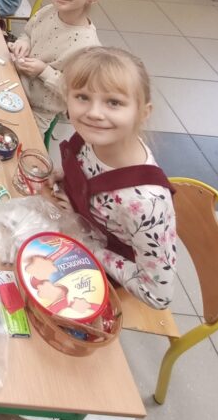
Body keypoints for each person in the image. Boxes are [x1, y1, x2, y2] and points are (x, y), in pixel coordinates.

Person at [56, 46, 177, 310]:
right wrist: (62, 180)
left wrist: (90, 248)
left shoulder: (146, 203)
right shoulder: (93, 138)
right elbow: (87, 175)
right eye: (82, 97)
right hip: (71, 228)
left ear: (143, 112)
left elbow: (158, 294)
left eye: (113, 102)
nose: (94, 113)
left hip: (100, 276)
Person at [9, 0, 105, 131]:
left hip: (37, 111)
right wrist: (24, 43)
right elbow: (28, 33)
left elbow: (77, 93)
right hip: (14, 84)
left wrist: (43, 71)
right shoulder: (48, 11)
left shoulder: (88, 48)